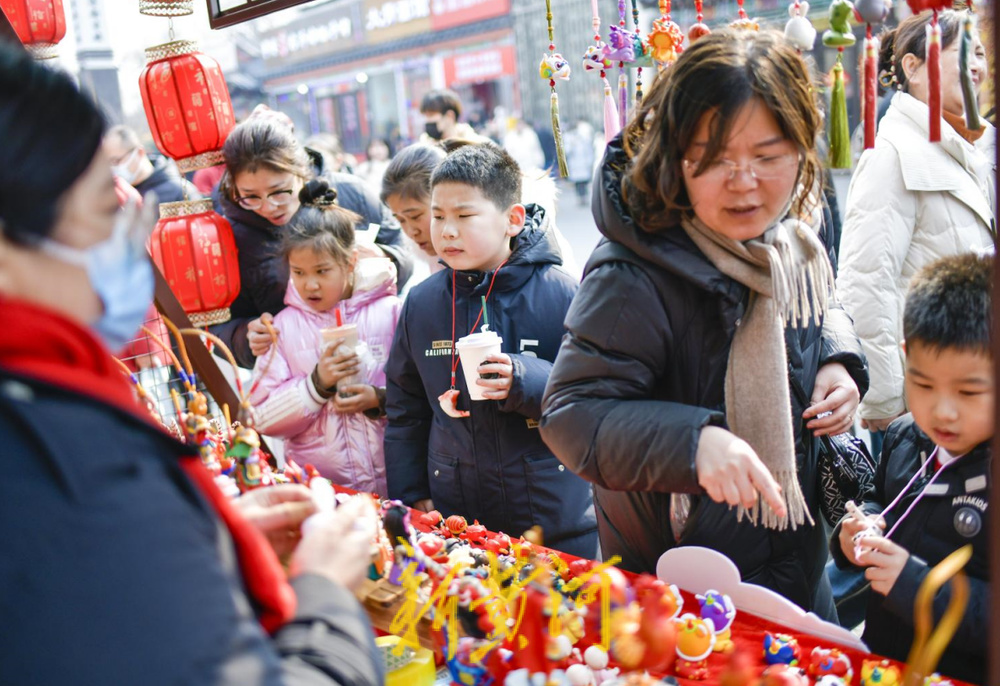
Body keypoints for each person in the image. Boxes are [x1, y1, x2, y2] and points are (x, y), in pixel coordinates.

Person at [0, 42, 382, 685]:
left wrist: (206, 546)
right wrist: (325, 600)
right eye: (103, 213)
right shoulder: (61, 451)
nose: (129, 252)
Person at [539, 29, 868, 620]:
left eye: (768, 156)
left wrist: (838, 358)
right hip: (683, 580)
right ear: (674, 155)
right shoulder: (633, 272)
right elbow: (571, 414)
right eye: (715, 159)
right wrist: (694, 443)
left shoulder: (792, 237)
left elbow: (820, 305)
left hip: (796, 550)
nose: (744, 183)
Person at [384, 143, 598, 557]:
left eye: (464, 216)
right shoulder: (424, 303)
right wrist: (412, 494)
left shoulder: (563, 295)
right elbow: (406, 410)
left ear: (512, 220)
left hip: (554, 519)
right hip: (457, 517)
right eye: (438, 216)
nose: (446, 231)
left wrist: (525, 377)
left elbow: (595, 400)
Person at [837, 9, 994, 457]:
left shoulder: (973, 151)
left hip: (974, 391)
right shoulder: (892, 153)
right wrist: (887, 403)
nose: (977, 67)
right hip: (925, 410)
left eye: (980, 54)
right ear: (913, 66)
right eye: (964, 52)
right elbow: (866, 282)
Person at [833, 253, 992, 684]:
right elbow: (883, 503)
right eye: (922, 384)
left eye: (968, 391)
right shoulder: (905, 436)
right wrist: (857, 531)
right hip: (884, 661)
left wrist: (918, 586)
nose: (942, 412)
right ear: (906, 358)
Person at [211, 117, 414, 369]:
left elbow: (404, 256)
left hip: (380, 362)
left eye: (278, 191)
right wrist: (243, 337)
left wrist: (384, 257)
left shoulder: (353, 195)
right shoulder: (228, 236)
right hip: (296, 376)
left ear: (300, 170)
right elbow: (217, 325)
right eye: (250, 197)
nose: (268, 206)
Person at [250, 180, 402, 495]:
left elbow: (425, 392)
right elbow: (260, 417)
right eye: (299, 273)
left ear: (349, 262)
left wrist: (380, 399)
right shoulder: (283, 328)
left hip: (396, 484)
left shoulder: (392, 313)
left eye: (322, 271)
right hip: (323, 490)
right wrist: (316, 384)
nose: (310, 286)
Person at [103, 124, 201, 205]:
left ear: (139, 153)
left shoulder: (179, 191)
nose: (114, 168)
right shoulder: (117, 197)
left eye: (116, 161)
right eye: (108, 164)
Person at [564, 119, 596, 207]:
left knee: (584, 181)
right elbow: (567, 151)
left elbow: (588, 148)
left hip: (583, 162)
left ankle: (584, 197)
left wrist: (589, 161)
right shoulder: (568, 137)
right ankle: (579, 197)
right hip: (575, 163)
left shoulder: (583, 136)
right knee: (577, 182)